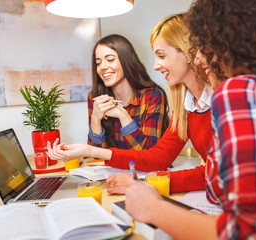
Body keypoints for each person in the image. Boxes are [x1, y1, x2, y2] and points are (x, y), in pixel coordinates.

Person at [124, 0, 256, 239]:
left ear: (230, 41)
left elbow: (248, 234)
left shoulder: (239, 91)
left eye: (204, 44)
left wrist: (153, 208)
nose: (197, 59)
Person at [47, 14, 214, 194]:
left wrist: (142, 183)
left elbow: (213, 175)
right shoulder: (185, 107)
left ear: (189, 52)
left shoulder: (224, 100)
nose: (156, 66)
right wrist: (89, 147)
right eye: (98, 62)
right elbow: (159, 158)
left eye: (161, 56)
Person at [88, 34, 169, 150]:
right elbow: (95, 154)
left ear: (127, 60)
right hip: (113, 168)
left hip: (146, 168)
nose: (103, 67)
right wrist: (95, 119)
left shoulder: (152, 96)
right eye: (98, 63)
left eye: (110, 59)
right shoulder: (94, 97)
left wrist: (122, 115)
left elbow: (149, 152)